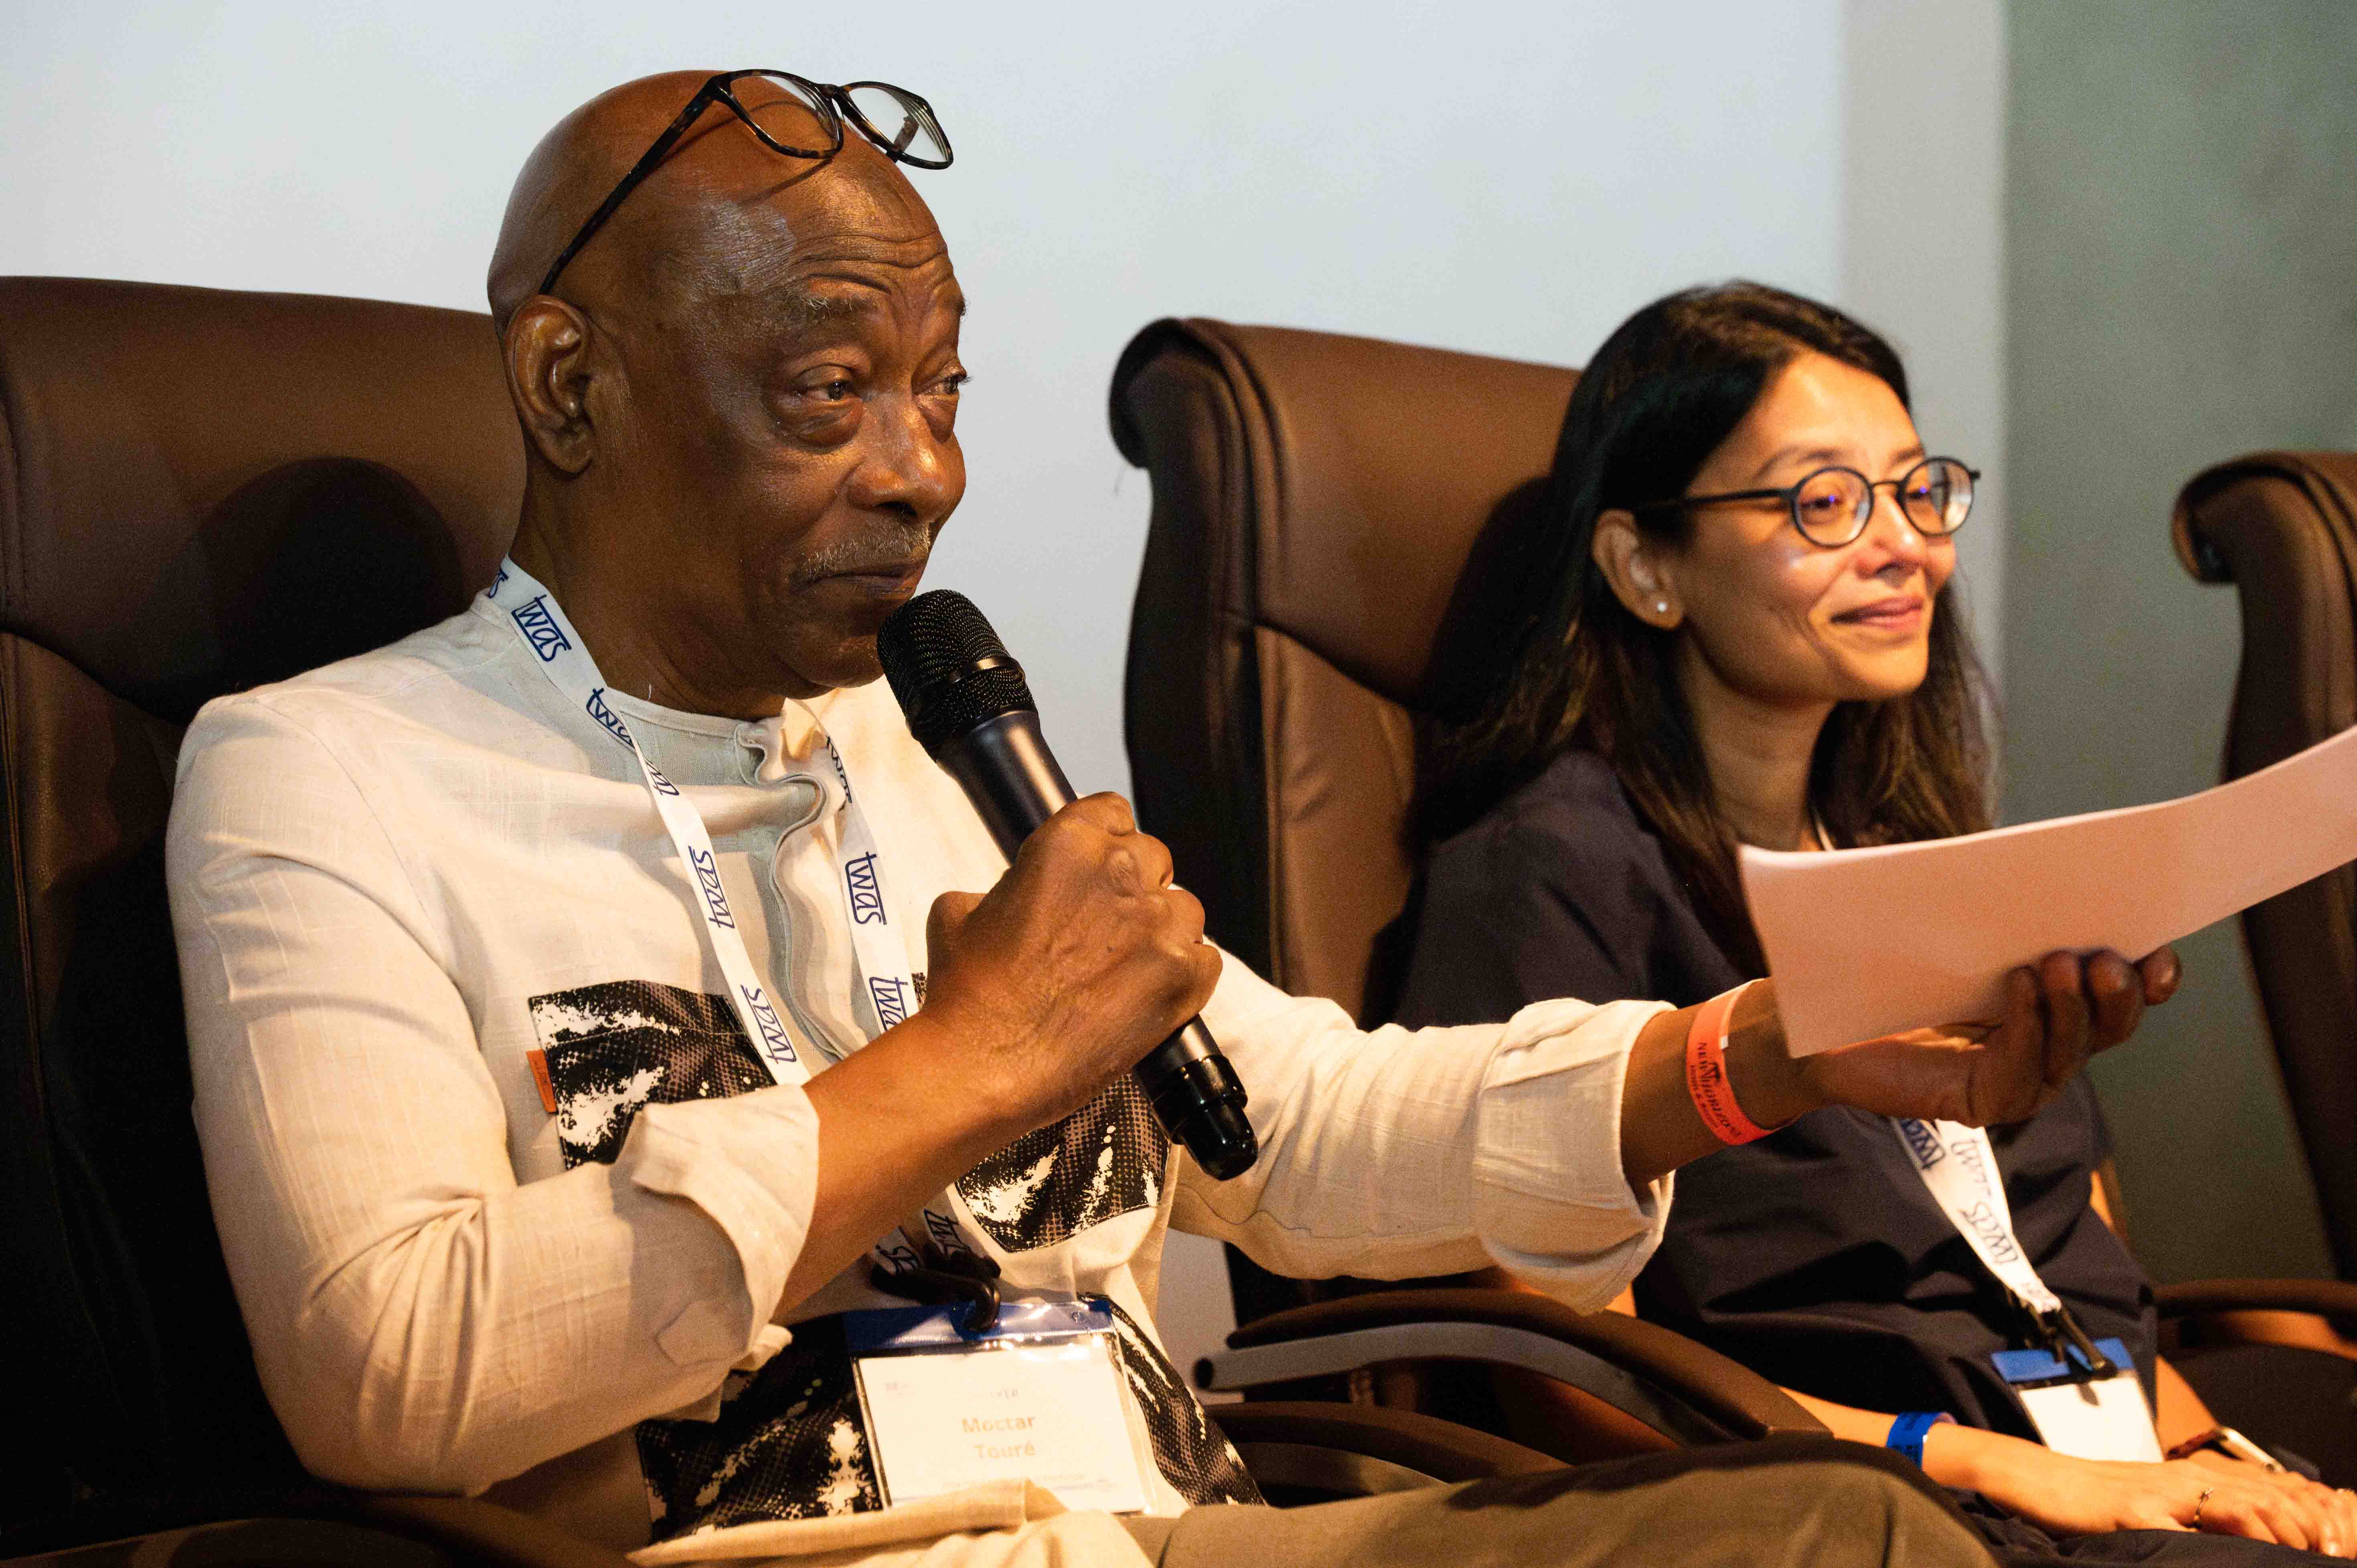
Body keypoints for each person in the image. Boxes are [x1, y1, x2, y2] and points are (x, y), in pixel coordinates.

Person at [170, 76, 2140, 1568]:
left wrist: (1748, 1060)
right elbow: (385, 1373)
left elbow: (1300, 1130)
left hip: (1171, 1526)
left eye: (939, 390)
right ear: (569, 380)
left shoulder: (921, 736)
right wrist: (968, 1064)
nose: (918, 474)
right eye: (829, 391)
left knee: (1844, 1538)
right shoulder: (325, 772)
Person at [1387, 281, 2351, 1563]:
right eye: (1824, 502)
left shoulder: (1928, 856)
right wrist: (1960, 1459)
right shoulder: (1545, 874)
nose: (1905, 546)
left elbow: (2079, 1270)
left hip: (2102, 1503)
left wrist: (2226, 1471)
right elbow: (1563, 1372)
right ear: (1645, 565)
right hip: (1870, 1517)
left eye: (1916, 491)